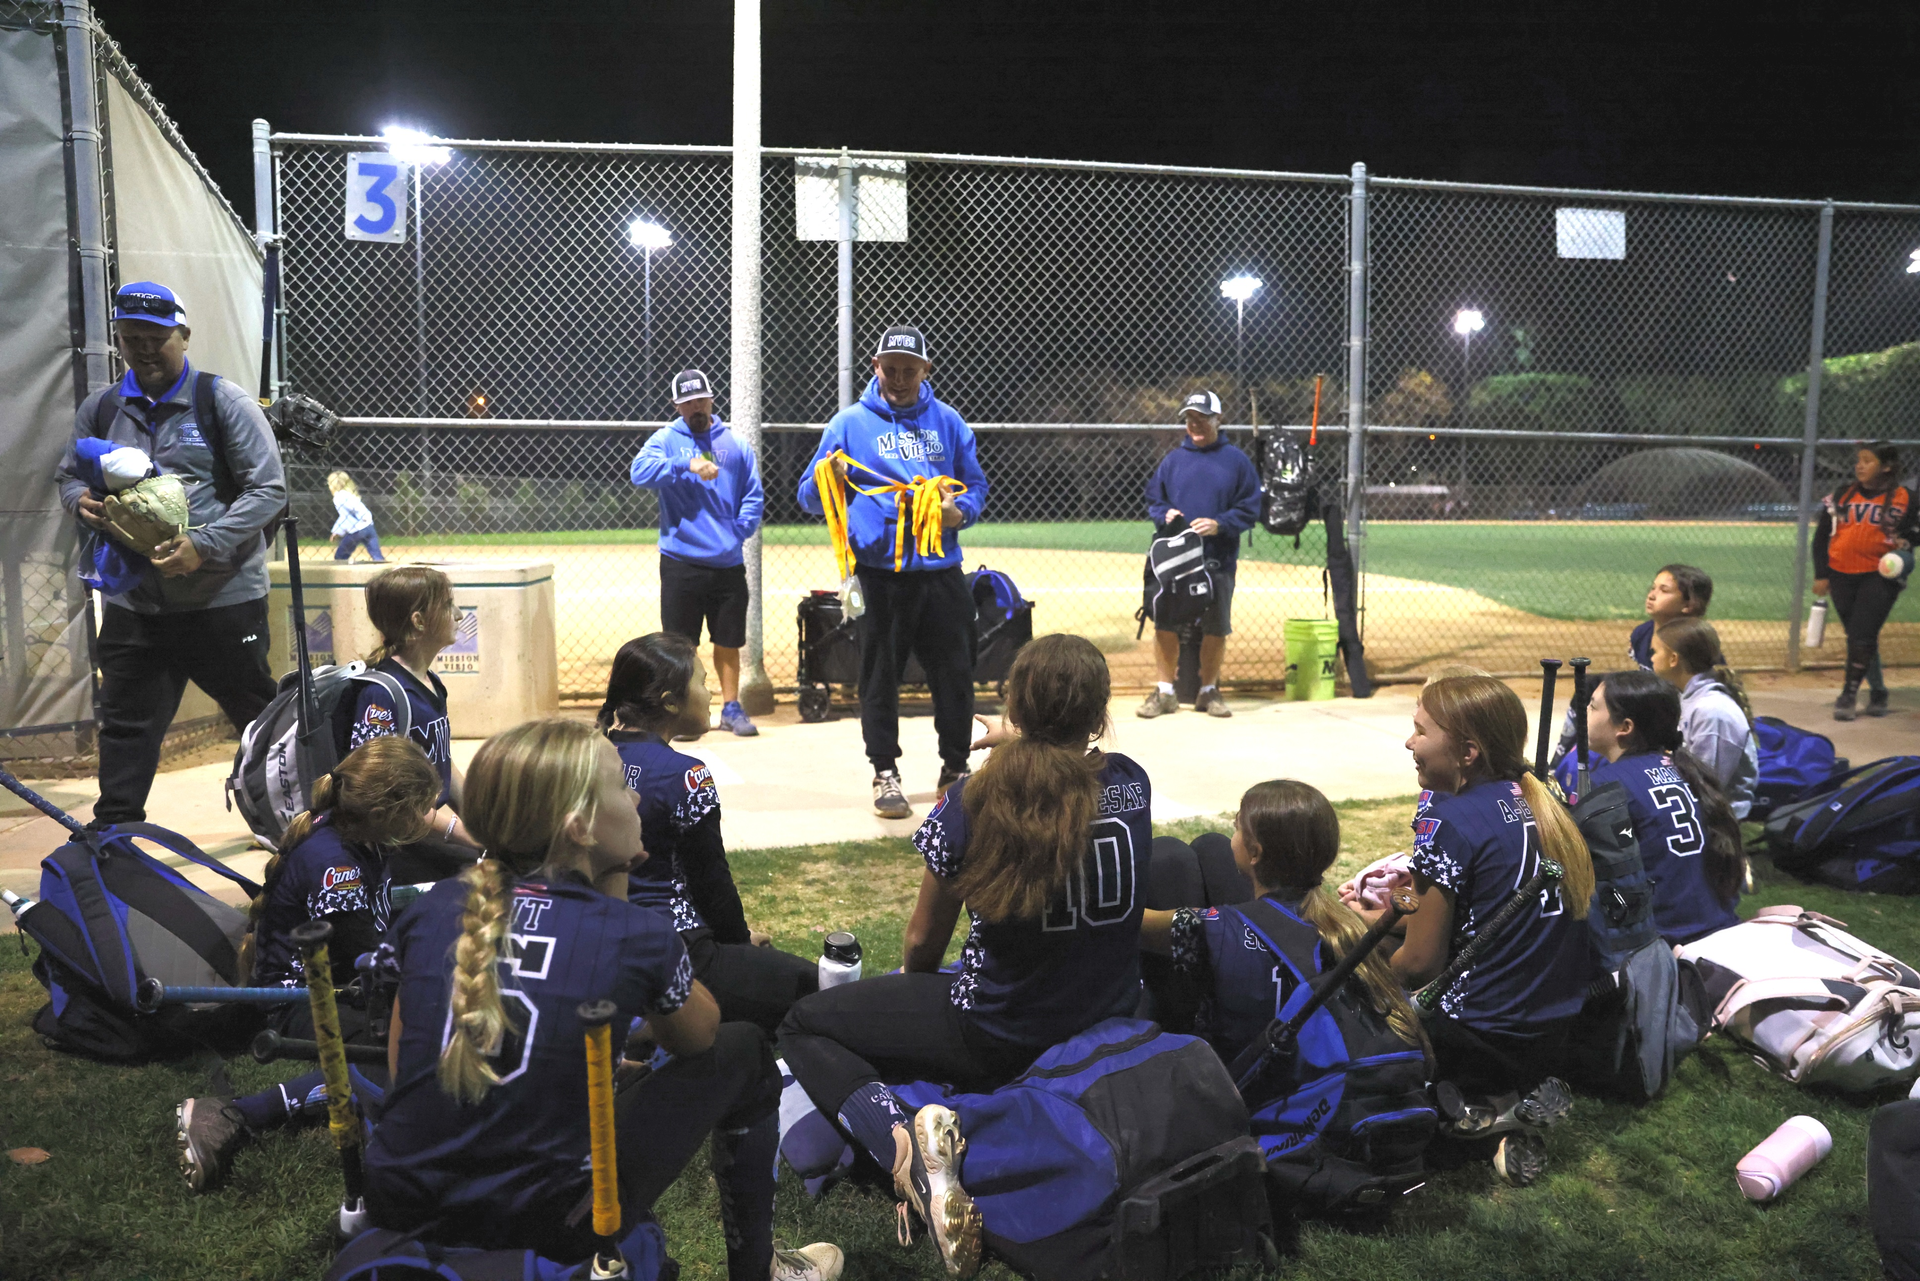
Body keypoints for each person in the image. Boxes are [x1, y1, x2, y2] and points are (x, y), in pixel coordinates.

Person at [364, 719, 843, 1281]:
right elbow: (702, 1035)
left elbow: (406, 1062)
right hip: (547, 1221)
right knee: (745, 1050)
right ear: (579, 828)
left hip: (400, 1197)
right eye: (621, 785)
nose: (636, 796)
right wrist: (617, 894)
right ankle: (759, 1268)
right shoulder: (635, 932)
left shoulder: (434, 906)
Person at [778, 635, 1148, 1277]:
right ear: (1099, 714)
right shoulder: (1131, 784)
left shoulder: (971, 801)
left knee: (804, 1022)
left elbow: (922, 943)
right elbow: (1064, 773)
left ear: (1016, 709)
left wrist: (903, 997)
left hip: (997, 1031)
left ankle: (905, 1154)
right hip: (1103, 1018)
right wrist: (1028, 732)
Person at [53, 281, 286, 827]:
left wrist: (203, 544)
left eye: (157, 338)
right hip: (137, 604)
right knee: (126, 725)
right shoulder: (103, 407)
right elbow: (68, 477)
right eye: (131, 338)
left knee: (261, 724)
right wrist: (79, 502)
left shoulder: (219, 400)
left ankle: (293, 830)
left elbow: (269, 489)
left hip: (222, 600)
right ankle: (114, 838)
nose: (144, 349)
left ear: (183, 334)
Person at [173, 737, 441, 1193]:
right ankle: (234, 1114)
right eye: (417, 809)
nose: (423, 820)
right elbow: (370, 961)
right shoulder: (337, 864)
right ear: (384, 810)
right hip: (303, 999)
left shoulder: (357, 832)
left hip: (341, 984)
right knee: (405, 1057)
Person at [1381, 675, 1597, 1186]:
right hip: (1554, 1026)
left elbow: (1420, 964)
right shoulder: (1541, 796)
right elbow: (1462, 903)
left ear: (1468, 753)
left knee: (1355, 980)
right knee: (1379, 936)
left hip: (1481, 1032)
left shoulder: (1445, 814)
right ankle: (1507, 1103)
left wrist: (1358, 980)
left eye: (1421, 731)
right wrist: (1390, 908)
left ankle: (1481, 1114)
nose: (1409, 742)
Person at [795, 326, 990, 819]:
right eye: (891, 368)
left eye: (910, 369)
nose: (900, 378)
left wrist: (959, 512)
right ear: (876, 367)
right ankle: (885, 771)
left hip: (941, 570)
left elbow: (977, 487)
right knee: (878, 675)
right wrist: (828, 480)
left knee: (955, 674)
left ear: (927, 370)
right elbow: (807, 497)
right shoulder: (849, 424)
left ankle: (955, 768)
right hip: (879, 573)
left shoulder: (947, 422)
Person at [600, 633, 818, 1031]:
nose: (711, 693)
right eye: (702, 682)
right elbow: (711, 882)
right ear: (669, 701)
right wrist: (738, 948)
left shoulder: (587, 757)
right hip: (681, 951)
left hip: (603, 941)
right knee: (818, 988)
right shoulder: (685, 774)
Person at [1140, 779, 1422, 1069]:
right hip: (1323, 1077)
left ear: (1255, 854)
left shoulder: (1214, 929)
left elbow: (1132, 926)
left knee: (1169, 856)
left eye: (1237, 827)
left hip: (1252, 1086)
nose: (1232, 835)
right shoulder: (1346, 923)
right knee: (1209, 846)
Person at [629, 369, 766, 736]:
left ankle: (732, 708)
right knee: (679, 645)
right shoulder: (667, 440)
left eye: (700, 400)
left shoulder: (734, 443)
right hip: (680, 561)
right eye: (687, 403)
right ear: (677, 406)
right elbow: (638, 473)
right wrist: (684, 464)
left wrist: (739, 531)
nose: (695, 408)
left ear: (711, 399)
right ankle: (685, 714)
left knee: (728, 641)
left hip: (727, 562)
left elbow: (752, 494)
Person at [335, 565, 482, 878]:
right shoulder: (381, 695)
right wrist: (472, 838)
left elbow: (443, 763)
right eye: (447, 605)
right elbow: (384, 797)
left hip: (434, 827)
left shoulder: (430, 681)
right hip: (404, 841)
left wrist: (482, 816)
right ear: (418, 622)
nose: (458, 614)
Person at [1585, 671, 1745, 945]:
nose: (1584, 713)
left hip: (1666, 945)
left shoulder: (1608, 784)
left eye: (1592, 706)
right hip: (1719, 928)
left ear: (1624, 727)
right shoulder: (1690, 770)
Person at [1137, 389, 1260, 720]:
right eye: (1190, 419)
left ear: (1218, 419)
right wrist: (1163, 513)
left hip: (1216, 559)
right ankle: (1164, 692)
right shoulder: (1174, 460)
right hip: (1175, 561)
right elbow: (1154, 499)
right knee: (1165, 622)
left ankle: (1209, 691)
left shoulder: (1236, 461)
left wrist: (1220, 524)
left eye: (1202, 418)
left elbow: (1250, 509)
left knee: (1215, 626)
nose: (1195, 424)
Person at [1553, 564, 1711, 765]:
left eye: (1664, 590)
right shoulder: (1642, 633)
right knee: (1590, 687)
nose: (1652, 595)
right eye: (1652, 588)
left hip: (1672, 714)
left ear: (1689, 605)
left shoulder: (1695, 644)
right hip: (1650, 703)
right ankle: (1562, 758)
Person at [1812, 441, 1917, 720]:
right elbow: (1822, 536)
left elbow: (1915, 533)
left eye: (1867, 460)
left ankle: (1848, 695)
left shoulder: (1906, 497)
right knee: (1861, 636)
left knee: (1861, 634)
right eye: (1859, 460)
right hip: (1841, 572)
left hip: (1880, 575)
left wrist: (1908, 542)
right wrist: (1821, 573)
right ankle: (1879, 692)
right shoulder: (1841, 495)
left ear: (1886, 466)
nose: (1859, 465)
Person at [1651, 617, 1760, 820]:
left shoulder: (1712, 713)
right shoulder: (1688, 698)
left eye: (1655, 652)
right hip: (1694, 810)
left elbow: (1706, 789)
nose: (1652, 659)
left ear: (1673, 659)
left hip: (1722, 825)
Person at [328, 470, 385, 562]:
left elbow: (345, 516)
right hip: (369, 527)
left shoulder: (338, 496)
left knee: (340, 557)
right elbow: (354, 510)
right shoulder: (350, 494)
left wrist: (337, 531)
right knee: (377, 557)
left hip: (357, 530)